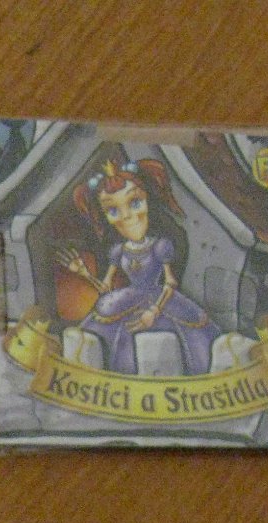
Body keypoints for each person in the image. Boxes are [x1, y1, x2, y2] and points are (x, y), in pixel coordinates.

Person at [59, 157, 217, 375]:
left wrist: (154, 311)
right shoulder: (118, 251)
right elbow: (105, 289)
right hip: (126, 298)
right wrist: (84, 273)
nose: (127, 216)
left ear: (147, 202)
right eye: (113, 211)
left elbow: (170, 283)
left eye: (134, 203)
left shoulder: (160, 246)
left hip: (159, 301)